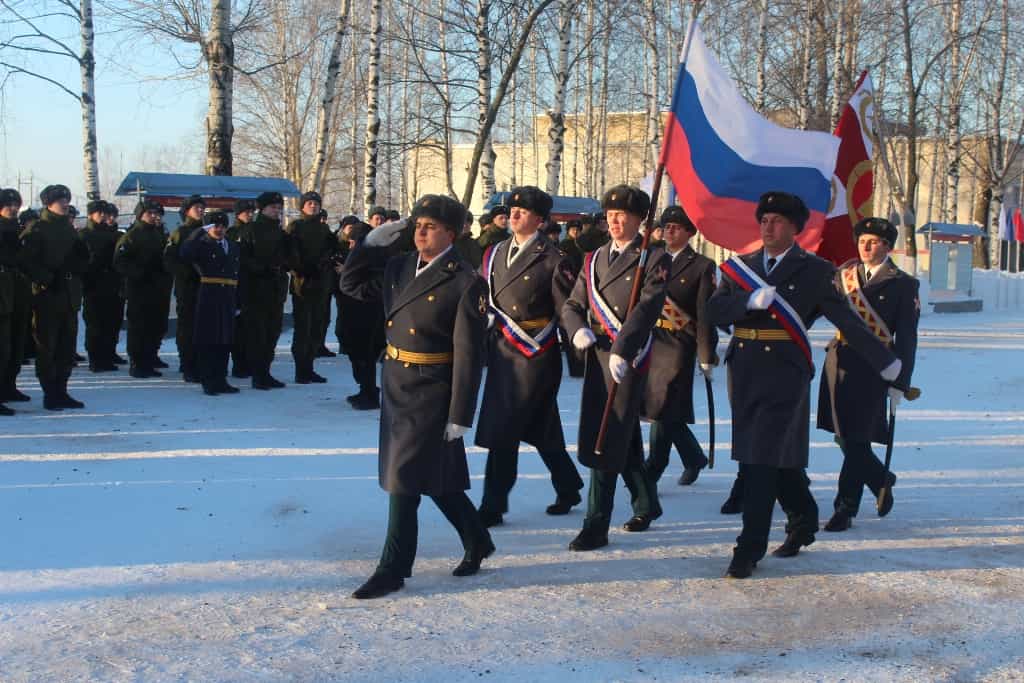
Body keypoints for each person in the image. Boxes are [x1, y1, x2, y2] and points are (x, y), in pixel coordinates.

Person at [706, 191, 902, 579]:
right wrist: (747, 302)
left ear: (795, 228)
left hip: (785, 372)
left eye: (777, 221)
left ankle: (749, 547)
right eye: (764, 220)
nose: (768, 226)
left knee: (758, 459)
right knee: (769, 455)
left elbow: (847, 321)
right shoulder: (739, 268)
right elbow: (712, 310)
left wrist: (887, 363)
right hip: (742, 371)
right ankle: (804, 516)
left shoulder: (813, 271)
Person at [341, 194, 492, 600]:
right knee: (433, 478)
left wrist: (461, 411)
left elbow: (469, 354)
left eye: (430, 226)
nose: (420, 232)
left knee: (403, 479)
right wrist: (367, 245)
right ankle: (477, 539)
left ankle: (393, 568)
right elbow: (352, 285)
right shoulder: (399, 266)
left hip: (432, 388)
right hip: (395, 382)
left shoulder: (464, 281)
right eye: (418, 225)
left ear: (452, 234)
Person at [560, 185, 669, 551]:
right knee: (623, 437)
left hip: (629, 359)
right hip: (597, 357)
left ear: (640, 220)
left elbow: (648, 307)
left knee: (605, 437)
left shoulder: (653, 258)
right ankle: (646, 502)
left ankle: (595, 524)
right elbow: (573, 304)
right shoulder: (592, 260)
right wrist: (576, 331)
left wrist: (624, 348)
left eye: (623, 216)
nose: (616, 222)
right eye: (610, 216)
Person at [475, 186, 584, 527]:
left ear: (539, 219)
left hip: (535, 355)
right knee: (542, 429)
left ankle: (493, 503)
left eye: (523, 211)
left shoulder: (553, 258)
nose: (514, 215)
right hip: (502, 350)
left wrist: (577, 336)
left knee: (503, 428)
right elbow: (483, 295)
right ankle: (569, 486)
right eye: (512, 210)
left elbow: (566, 306)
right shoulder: (494, 253)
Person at [818, 217, 920, 532]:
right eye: (862, 240)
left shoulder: (903, 283)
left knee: (857, 437)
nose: (865, 246)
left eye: (873, 241)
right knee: (842, 435)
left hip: (875, 369)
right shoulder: (842, 276)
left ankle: (844, 509)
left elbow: (907, 337)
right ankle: (879, 478)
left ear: (887, 247)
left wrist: (899, 382)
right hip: (839, 363)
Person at [642, 206, 719, 487]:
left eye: (676, 226)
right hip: (651, 341)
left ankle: (652, 468)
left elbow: (704, 313)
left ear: (689, 232)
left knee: (661, 406)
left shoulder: (701, 266)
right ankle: (693, 457)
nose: (669, 231)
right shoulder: (649, 259)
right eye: (666, 226)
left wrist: (706, 354)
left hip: (679, 344)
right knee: (665, 408)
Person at [18, 184, 90, 410]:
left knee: (66, 346)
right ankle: (51, 392)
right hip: (47, 295)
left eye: (67, 199)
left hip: (69, 294)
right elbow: (26, 262)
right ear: (49, 203)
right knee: (47, 345)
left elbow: (79, 259)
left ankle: (62, 390)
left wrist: (81, 261)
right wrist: (46, 279)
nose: (66, 203)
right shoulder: (38, 229)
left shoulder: (68, 228)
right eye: (61, 200)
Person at [180, 211, 241, 396]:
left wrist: (239, 300)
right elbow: (185, 254)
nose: (220, 229)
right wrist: (198, 233)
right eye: (215, 225)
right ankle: (209, 380)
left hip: (229, 294)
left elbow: (239, 272)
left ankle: (221, 379)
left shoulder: (232, 245)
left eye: (223, 225)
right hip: (209, 293)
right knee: (209, 340)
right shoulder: (201, 245)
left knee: (225, 340)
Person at [114, 200, 172, 378]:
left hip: (158, 288)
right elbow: (119, 261)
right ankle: (138, 363)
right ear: (141, 215)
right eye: (150, 213)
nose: (155, 216)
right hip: (140, 289)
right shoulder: (133, 235)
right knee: (140, 327)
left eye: (157, 213)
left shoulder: (159, 233)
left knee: (156, 325)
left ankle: (150, 357)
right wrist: (141, 272)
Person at [237, 192, 289, 390]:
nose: (276, 211)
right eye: (273, 207)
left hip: (275, 289)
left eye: (278, 208)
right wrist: (262, 268)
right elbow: (242, 259)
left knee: (272, 333)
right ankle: (258, 374)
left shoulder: (279, 232)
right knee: (257, 334)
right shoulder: (250, 230)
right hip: (256, 289)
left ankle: (265, 372)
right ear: (263, 208)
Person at [286, 191, 337, 384]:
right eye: (309, 204)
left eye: (316, 204)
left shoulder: (323, 229)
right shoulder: (296, 226)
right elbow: (291, 253)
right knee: (303, 329)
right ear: (302, 207)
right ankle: (301, 370)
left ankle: (309, 367)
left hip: (321, 283)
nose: (313, 207)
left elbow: (331, 251)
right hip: (303, 284)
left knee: (316, 327)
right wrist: (302, 269)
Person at [337, 220, 385, 409]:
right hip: (356, 310)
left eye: (353, 241)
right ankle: (367, 389)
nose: (350, 245)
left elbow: (373, 283)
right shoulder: (368, 254)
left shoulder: (371, 256)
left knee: (364, 354)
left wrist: (348, 275)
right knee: (359, 352)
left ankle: (369, 393)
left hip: (365, 312)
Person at [164, 194, 206, 382]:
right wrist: (187, 273)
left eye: (202, 207)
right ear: (187, 211)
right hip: (187, 287)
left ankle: (200, 362)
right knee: (187, 326)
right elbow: (170, 260)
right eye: (196, 207)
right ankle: (188, 364)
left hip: (206, 286)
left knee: (202, 326)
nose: (200, 210)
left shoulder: (207, 230)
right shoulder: (180, 233)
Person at [79, 199, 125, 372]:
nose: (104, 216)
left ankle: (108, 354)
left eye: (106, 213)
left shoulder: (114, 235)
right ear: (91, 214)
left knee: (112, 322)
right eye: (100, 213)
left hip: (113, 284)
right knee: (95, 324)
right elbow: (81, 261)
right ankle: (96, 359)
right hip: (94, 285)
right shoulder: (84, 235)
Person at [0, 189, 31, 406]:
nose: (12, 208)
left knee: (15, 344)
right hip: (2, 294)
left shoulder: (19, 229)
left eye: (15, 204)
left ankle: (9, 386)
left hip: (18, 293)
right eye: (7, 204)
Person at [227, 198, 256, 378]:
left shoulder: (254, 230)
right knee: (238, 328)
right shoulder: (232, 232)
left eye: (252, 211)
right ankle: (239, 364)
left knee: (250, 328)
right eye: (247, 212)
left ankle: (248, 362)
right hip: (238, 284)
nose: (250, 215)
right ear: (238, 213)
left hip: (253, 284)